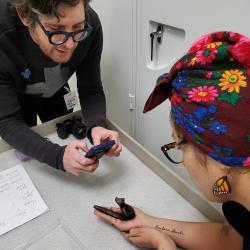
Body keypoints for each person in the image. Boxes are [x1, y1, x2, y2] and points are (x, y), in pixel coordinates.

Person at [94, 31, 250, 249]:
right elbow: (228, 240)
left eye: (180, 146)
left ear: (221, 155)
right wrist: (150, 223)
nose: (184, 161)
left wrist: (164, 246)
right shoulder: (240, 203)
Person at [0, 0, 122, 176]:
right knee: (25, 150)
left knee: (65, 130)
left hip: (57, 88)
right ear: (25, 16)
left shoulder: (91, 24)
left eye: (78, 28)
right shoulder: (4, 33)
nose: (70, 45)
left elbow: (91, 88)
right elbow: (7, 123)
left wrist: (97, 125)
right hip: (15, 94)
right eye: (56, 30)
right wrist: (58, 156)